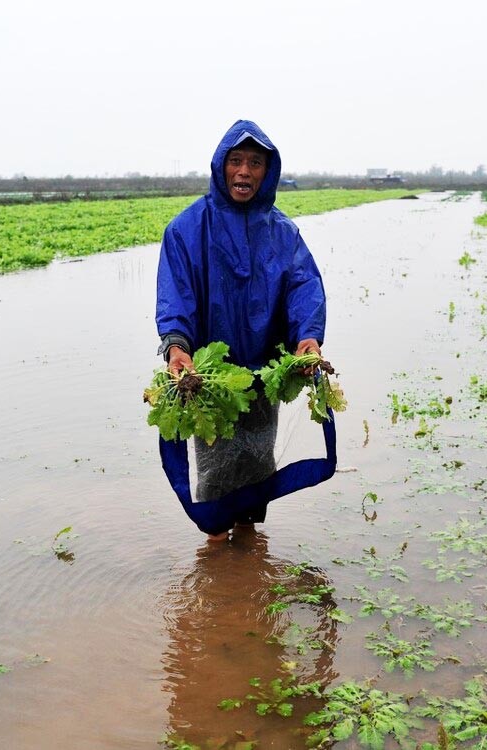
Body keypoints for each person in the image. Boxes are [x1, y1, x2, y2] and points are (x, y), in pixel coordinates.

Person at [155, 120, 326, 542]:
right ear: (221, 166)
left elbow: (304, 287)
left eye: (254, 163)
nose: (244, 172)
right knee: (215, 488)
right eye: (236, 161)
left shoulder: (283, 233)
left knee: (255, 477)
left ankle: (245, 580)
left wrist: (308, 336)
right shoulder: (187, 230)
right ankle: (216, 568)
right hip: (209, 381)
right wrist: (177, 346)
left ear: (268, 171)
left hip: (265, 378)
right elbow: (176, 297)